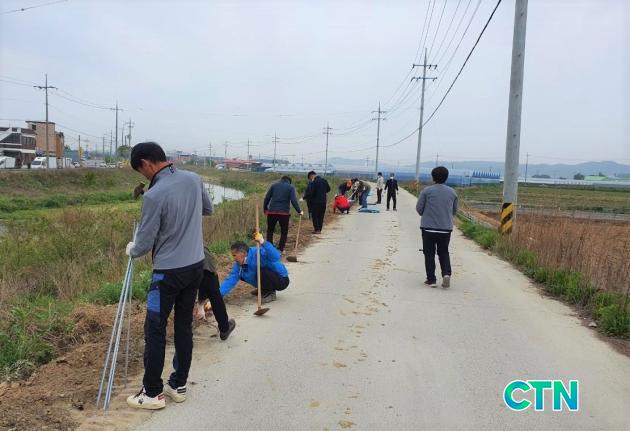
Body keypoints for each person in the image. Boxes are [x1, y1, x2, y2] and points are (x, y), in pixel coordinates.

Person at [125, 142, 213, 410]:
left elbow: (143, 244)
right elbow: (208, 209)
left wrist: (132, 248)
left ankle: (152, 393)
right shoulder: (194, 179)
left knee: (155, 329)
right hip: (195, 266)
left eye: (141, 171)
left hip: (167, 274)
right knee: (183, 326)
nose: (143, 176)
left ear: (146, 163)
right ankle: (178, 385)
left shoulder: (154, 195)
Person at [416, 166, 458, 288]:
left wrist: (426, 214)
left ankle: (431, 280)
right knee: (443, 252)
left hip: (428, 228)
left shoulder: (426, 191)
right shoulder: (452, 192)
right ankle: (446, 274)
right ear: (446, 177)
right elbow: (454, 211)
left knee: (429, 253)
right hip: (446, 228)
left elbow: (419, 208)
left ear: (433, 177)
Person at [220, 234, 289, 303]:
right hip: (267, 279)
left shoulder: (258, 252)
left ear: (243, 253)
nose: (233, 258)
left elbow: (276, 256)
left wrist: (263, 242)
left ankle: (270, 293)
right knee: (242, 274)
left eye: (234, 255)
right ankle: (263, 289)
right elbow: (231, 279)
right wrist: (218, 295)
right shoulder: (238, 264)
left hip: (281, 279)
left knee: (262, 271)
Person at [263, 175, 303, 252]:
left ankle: (270, 248)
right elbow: (294, 201)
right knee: (284, 231)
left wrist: (265, 208)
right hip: (284, 213)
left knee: (270, 230)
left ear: (281, 180)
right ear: (289, 181)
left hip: (272, 212)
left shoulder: (274, 185)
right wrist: (299, 211)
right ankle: (281, 248)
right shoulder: (290, 187)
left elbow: (267, 198)